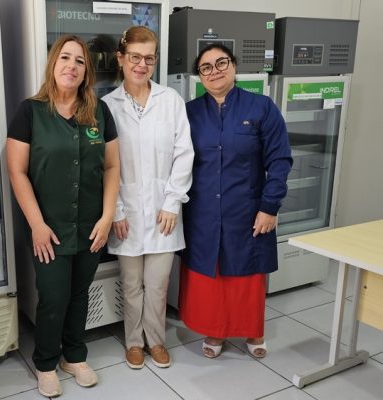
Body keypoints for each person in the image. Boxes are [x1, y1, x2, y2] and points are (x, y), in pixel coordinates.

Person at [6, 35, 120, 397]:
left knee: (79, 293)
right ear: (53, 64)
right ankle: (45, 363)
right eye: (65, 58)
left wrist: (107, 216)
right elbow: (17, 172)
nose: (72, 66)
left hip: (90, 224)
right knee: (54, 296)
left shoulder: (99, 112)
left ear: (87, 71)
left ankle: (74, 356)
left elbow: (112, 166)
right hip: (48, 226)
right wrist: (36, 225)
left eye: (80, 61)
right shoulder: (31, 111)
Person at [179, 44, 293, 359]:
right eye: (206, 67)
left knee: (247, 275)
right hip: (202, 211)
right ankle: (215, 331)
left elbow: (280, 160)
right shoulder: (188, 112)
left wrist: (269, 206)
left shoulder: (261, 107)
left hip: (247, 210)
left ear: (234, 66)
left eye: (221, 63)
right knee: (212, 275)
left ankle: (253, 330)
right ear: (199, 75)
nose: (214, 71)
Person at [102, 26, 194, 370]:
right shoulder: (107, 106)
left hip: (163, 211)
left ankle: (156, 341)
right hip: (125, 212)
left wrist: (172, 203)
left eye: (149, 59)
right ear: (121, 59)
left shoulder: (170, 100)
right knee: (131, 284)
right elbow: (106, 164)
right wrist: (116, 210)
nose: (142, 65)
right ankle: (134, 342)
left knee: (157, 284)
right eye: (135, 57)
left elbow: (184, 153)